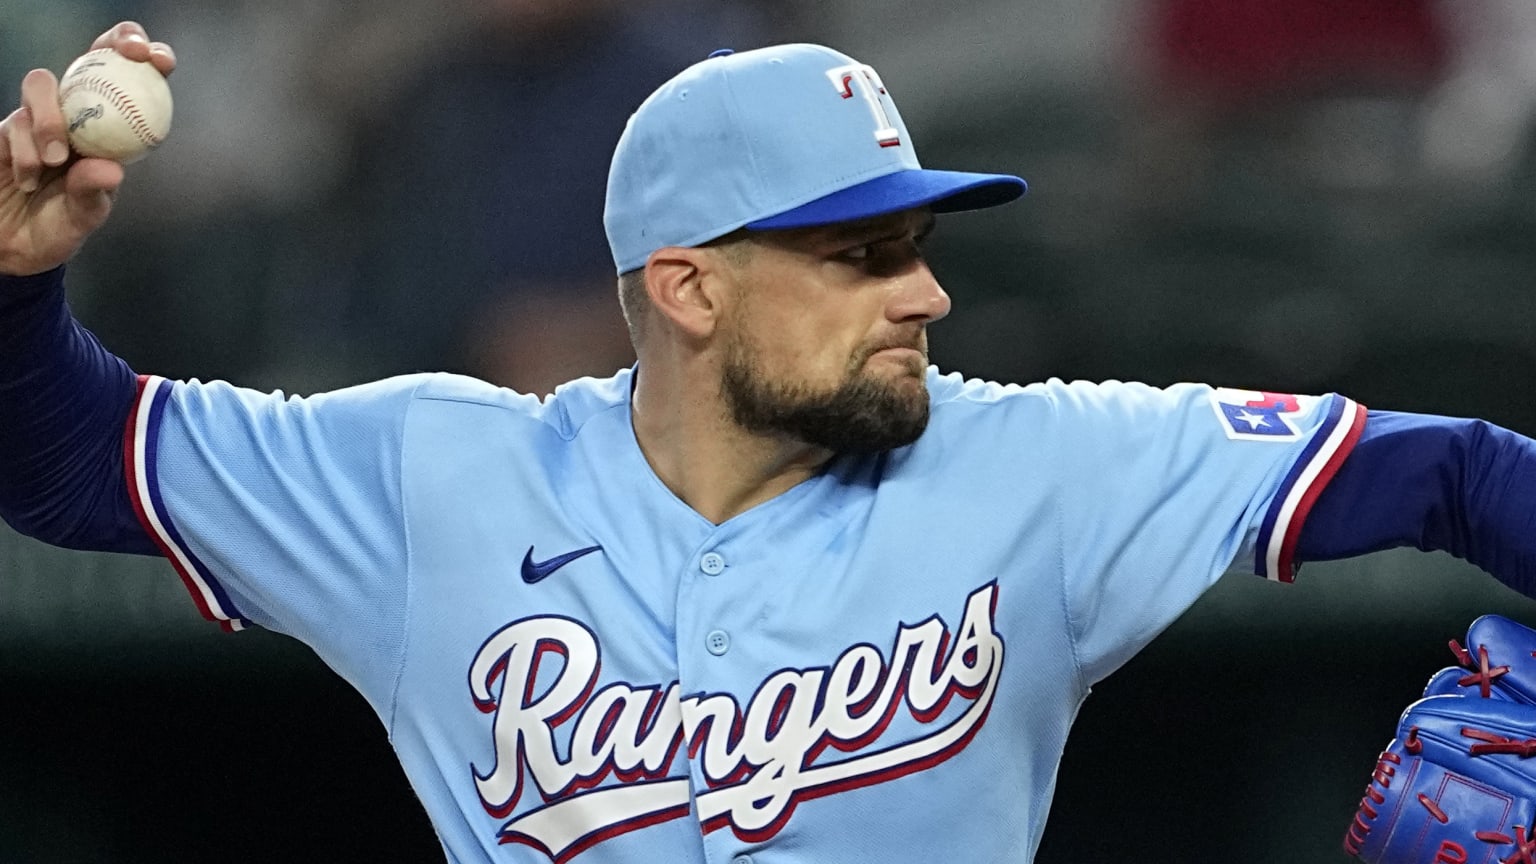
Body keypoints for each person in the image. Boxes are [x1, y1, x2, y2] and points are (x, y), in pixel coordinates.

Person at [4, 21, 1536, 864]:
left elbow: (1459, 471)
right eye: (862, 258)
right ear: (688, 288)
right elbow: (74, 464)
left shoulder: (1044, 466)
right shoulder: (434, 480)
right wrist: (18, 282)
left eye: (920, 245)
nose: (927, 290)